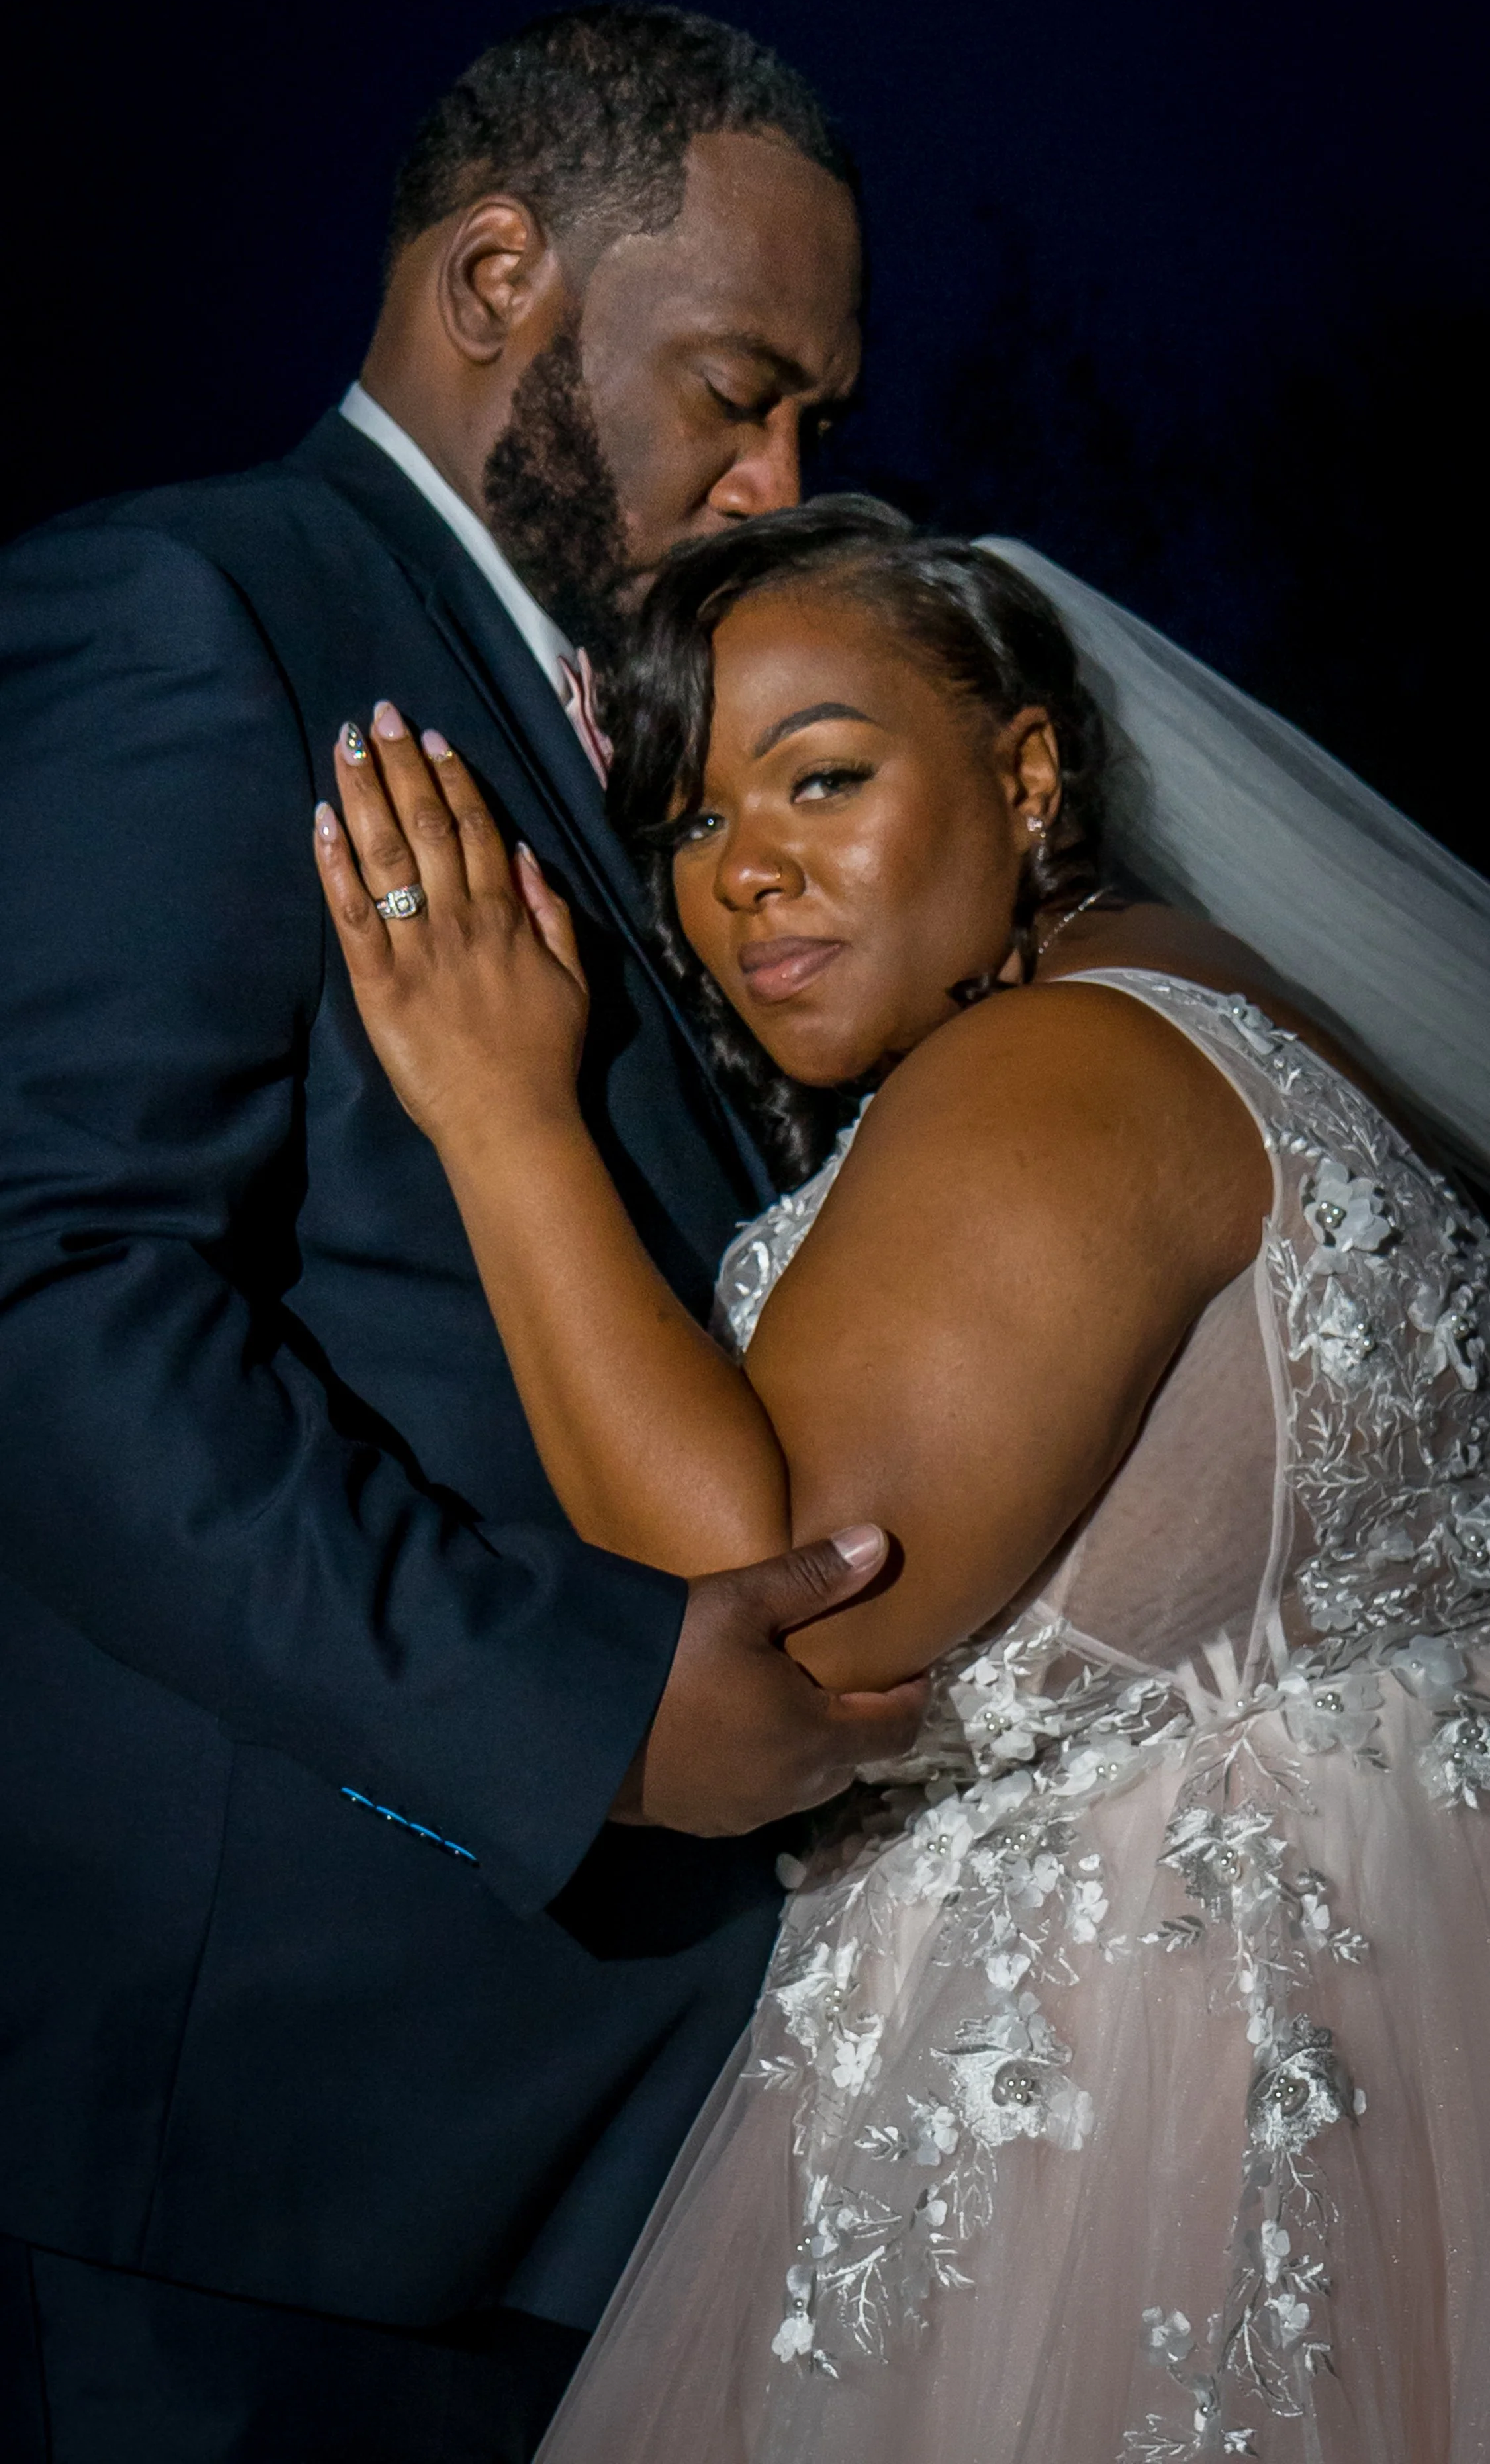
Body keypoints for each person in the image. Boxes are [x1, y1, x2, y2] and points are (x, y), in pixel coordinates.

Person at [312, 497, 1490, 2461]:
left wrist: (503, 1117)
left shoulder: (1065, 1068)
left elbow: (781, 1602)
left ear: (1027, 775)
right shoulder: (1211, 1002)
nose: (742, 879)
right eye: (690, 823)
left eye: (822, 780)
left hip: (1151, 2130)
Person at [0, 7, 927, 2462]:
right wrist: (575, 1711)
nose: (780, 477)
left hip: (612, 2157)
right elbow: (44, 1295)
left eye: (816, 418)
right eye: (741, 387)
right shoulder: (190, 610)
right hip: (280, 2162)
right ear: (500, 271)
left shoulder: (650, 732)